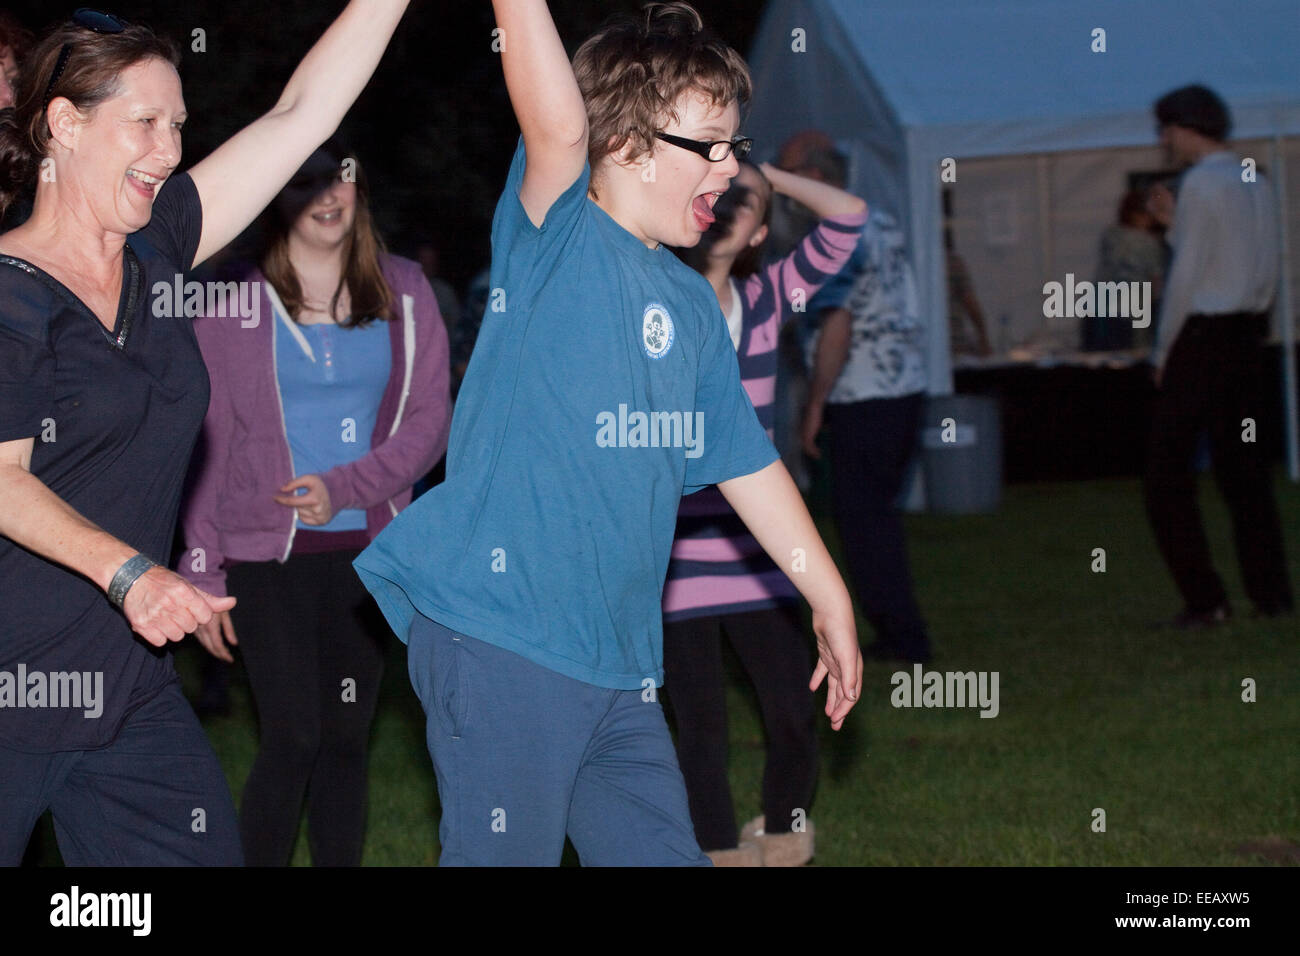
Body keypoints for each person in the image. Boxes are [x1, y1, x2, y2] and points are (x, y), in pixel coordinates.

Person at [353, 0, 863, 867]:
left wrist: (830, 595)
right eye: (708, 145)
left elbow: (747, 462)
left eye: (736, 146)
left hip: (621, 668)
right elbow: (555, 123)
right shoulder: (558, 237)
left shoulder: (695, 311)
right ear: (624, 145)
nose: (730, 170)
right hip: (503, 637)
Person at [0, 1, 410, 866]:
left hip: (126, 695)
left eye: (178, 125)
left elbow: (303, 116)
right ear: (63, 125)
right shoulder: (12, 297)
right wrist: (133, 575)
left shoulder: (160, 248)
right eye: (143, 123)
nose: (168, 150)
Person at [178, 140, 450, 866]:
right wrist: (199, 569)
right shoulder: (231, 303)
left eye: (342, 180)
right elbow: (210, 442)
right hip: (261, 553)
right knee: (293, 732)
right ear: (278, 197)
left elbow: (430, 425)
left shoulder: (406, 293)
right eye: (307, 185)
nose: (329, 196)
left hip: (369, 555)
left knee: (346, 735)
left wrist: (347, 488)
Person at [663, 160, 867, 865]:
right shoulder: (651, 304)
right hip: (670, 562)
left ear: (756, 231)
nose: (725, 205)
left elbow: (847, 215)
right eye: (716, 193)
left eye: (743, 202)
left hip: (763, 555)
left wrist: (770, 173)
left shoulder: (771, 296)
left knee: (791, 713)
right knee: (699, 731)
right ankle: (716, 850)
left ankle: (784, 838)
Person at [1143, 84, 1293, 627]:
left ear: (1184, 127)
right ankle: (1271, 593)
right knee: (1244, 472)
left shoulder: (1202, 183)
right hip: (1248, 337)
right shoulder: (1255, 179)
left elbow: (1188, 277)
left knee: (1165, 475)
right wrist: (1173, 225)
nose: (1164, 140)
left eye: (1165, 129)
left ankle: (1206, 600)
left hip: (1204, 337)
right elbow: (1253, 259)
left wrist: (1164, 348)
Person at [791, 138, 934, 665]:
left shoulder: (837, 235)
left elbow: (837, 323)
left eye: (787, 173)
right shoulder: (881, 220)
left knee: (863, 521)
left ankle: (902, 635)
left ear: (812, 175)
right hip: (903, 388)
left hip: (862, 392)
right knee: (876, 516)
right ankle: (900, 629)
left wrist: (814, 403)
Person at [1084, 187, 1165, 352]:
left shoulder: (1110, 235)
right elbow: (1156, 283)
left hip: (1097, 307)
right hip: (1128, 313)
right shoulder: (1149, 243)